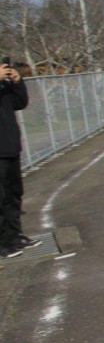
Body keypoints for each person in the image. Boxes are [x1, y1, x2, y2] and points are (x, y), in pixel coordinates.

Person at [0, 59, 38, 258]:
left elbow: (19, 103)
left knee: (13, 194)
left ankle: (14, 236)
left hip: (10, 146)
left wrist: (17, 81)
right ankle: (2, 244)